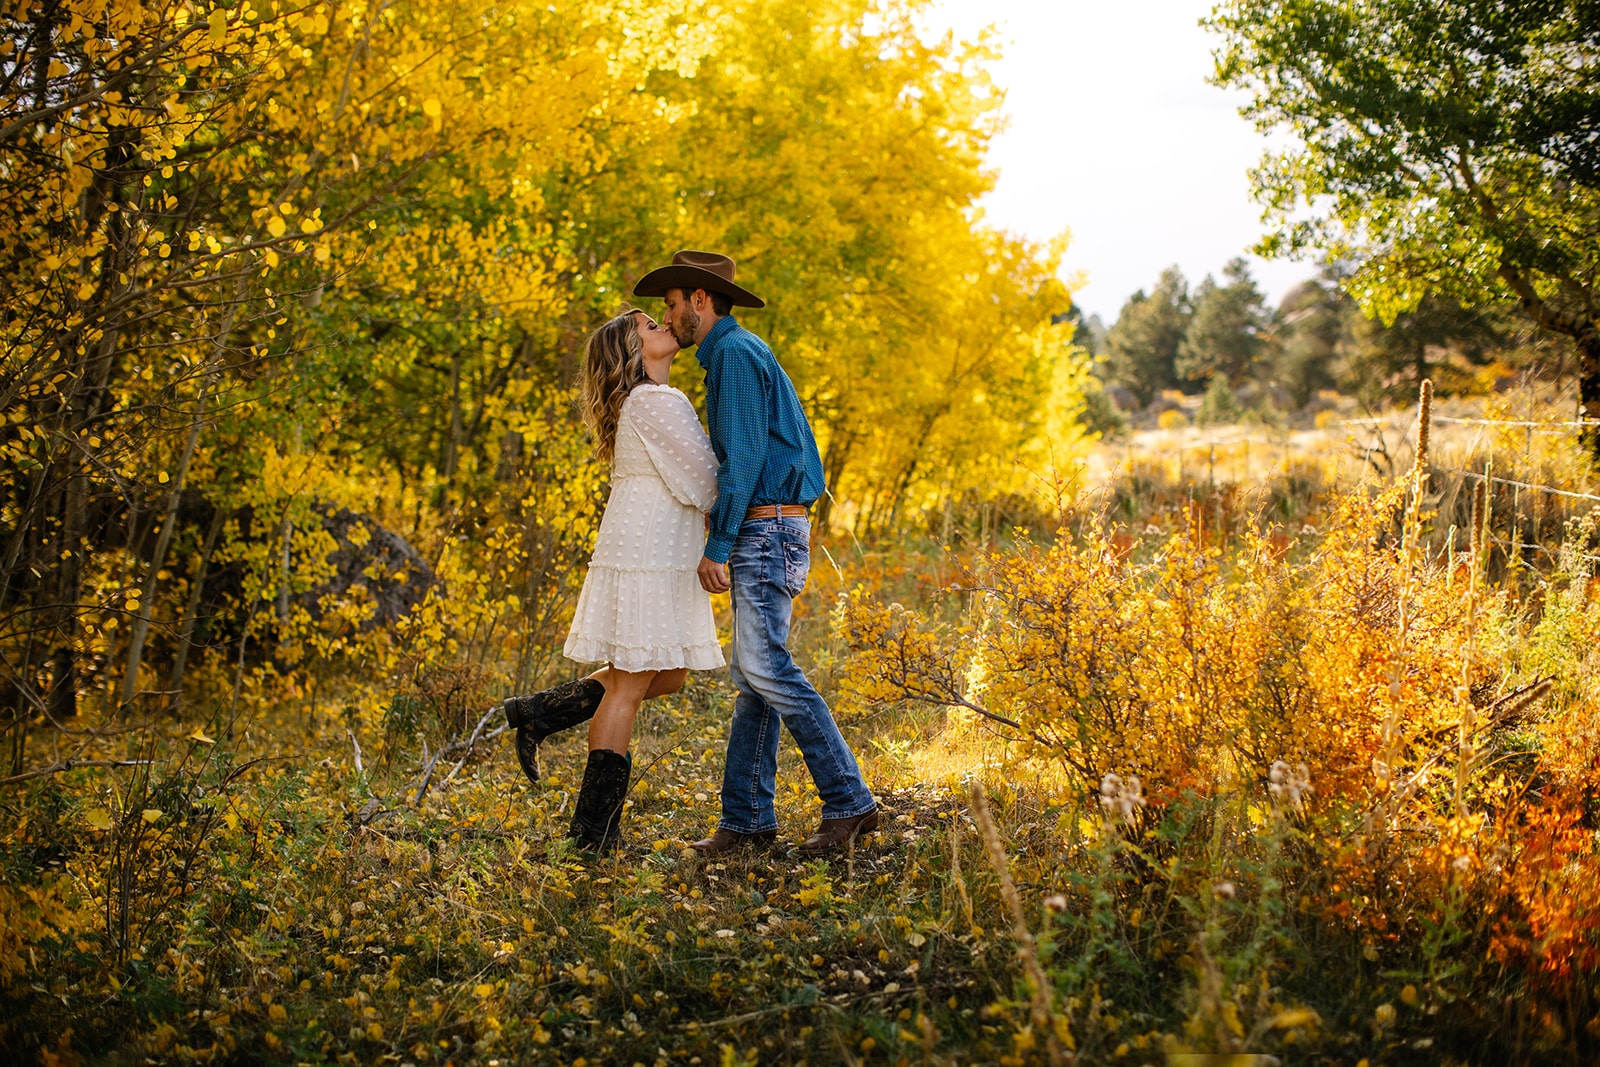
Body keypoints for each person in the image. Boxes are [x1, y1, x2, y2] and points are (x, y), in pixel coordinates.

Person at [633, 250, 879, 857]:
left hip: (766, 530)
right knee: (755, 678)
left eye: (671, 303)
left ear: (699, 299)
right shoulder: (731, 358)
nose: (668, 316)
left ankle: (850, 802)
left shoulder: (736, 358)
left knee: (766, 669)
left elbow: (740, 463)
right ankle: (745, 824)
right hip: (771, 528)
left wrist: (718, 544)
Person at [502, 308, 723, 853]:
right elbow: (705, 480)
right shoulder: (656, 400)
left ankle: (538, 712)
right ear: (634, 353)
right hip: (650, 549)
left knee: (666, 675)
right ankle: (593, 835)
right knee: (628, 685)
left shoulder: (645, 402)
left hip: (651, 544)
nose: (665, 326)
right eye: (651, 327)